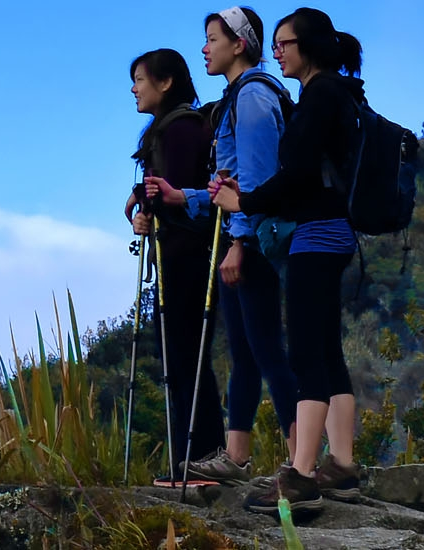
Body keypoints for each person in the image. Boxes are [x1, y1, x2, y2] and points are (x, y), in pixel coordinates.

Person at [210, 7, 367, 514]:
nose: (277, 52)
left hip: (316, 237)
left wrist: (245, 203)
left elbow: (297, 174)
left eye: (285, 43)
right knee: (325, 351)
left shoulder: (319, 96)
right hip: (335, 233)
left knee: (304, 356)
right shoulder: (336, 94)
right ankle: (341, 464)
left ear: (310, 48)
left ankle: (301, 477)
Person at [146, 6, 299, 487]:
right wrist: (183, 197)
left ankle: (300, 462)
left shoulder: (252, 97)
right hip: (241, 236)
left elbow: (254, 181)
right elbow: (224, 185)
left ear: (239, 44)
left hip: (247, 242)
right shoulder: (238, 97)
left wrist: (239, 243)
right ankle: (236, 455)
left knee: (267, 351)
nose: (205, 48)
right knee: (247, 352)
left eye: (213, 38)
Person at [121, 48, 225, 487]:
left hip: (186, 260)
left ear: (165, 83)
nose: (134, 88)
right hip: (181, 257)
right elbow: (154, 194)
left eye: (140, 79)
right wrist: (138, 210)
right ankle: (193, 457)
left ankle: (199, 457)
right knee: (180, 359)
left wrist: (149, 205)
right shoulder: (170, 129)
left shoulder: (180, 130)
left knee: (185, 359)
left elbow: (178, 193)